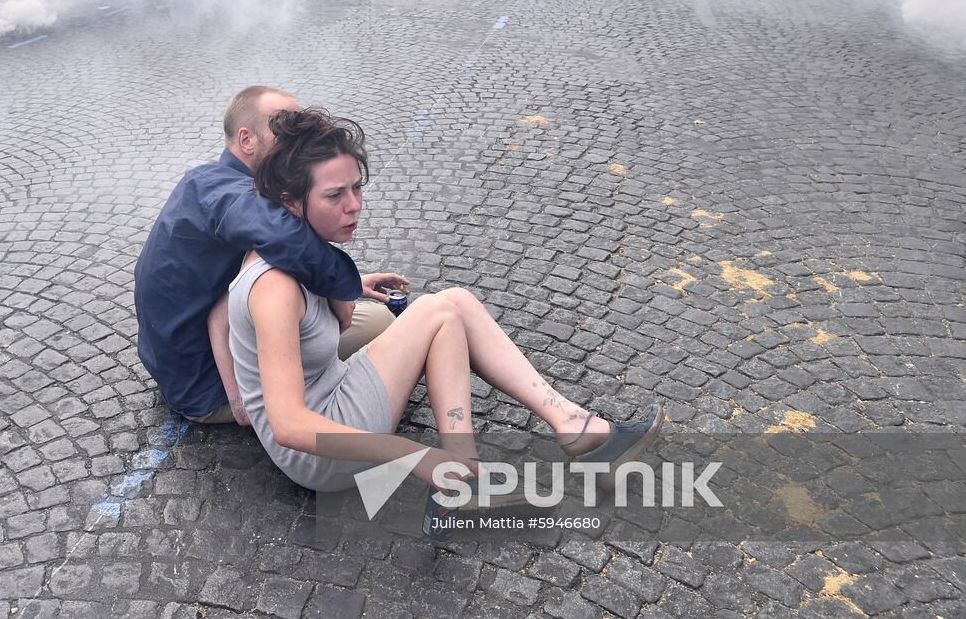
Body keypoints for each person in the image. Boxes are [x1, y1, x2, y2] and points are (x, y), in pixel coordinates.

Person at [228, 109, 664, 528]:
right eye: (334, 195)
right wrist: (414, 455)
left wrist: (348, 283)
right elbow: (289, 426)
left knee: (455, 301)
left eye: (357, 188)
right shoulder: (275, 288)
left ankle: (562, 428)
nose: (354, 205)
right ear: (290, 203)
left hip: (332, 395)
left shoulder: (295, 246)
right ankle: (464, 479)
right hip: (318, 453)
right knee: (439, 313)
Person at [136, 87, 405, 425]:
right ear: (247, 140)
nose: (297, 136)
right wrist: (339, 285)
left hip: (186, 363)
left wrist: (350, 284)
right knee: (384, 326)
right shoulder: (227, 192)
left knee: (375, 320)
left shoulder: (210, 182)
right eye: (284, 125)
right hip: (208, 387)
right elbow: (285, 239)